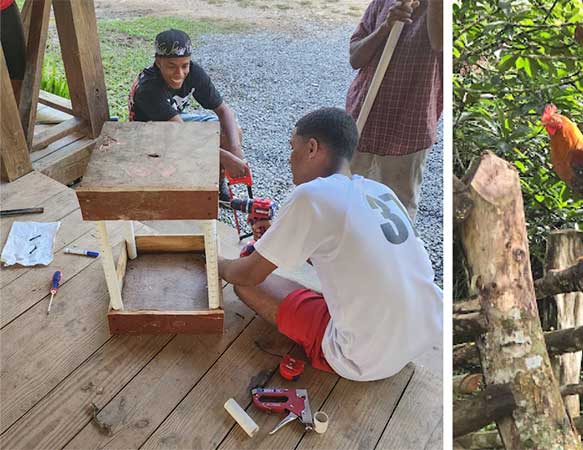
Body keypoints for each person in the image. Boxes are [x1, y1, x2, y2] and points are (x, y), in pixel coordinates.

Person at [218, 107, 442, 382]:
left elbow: (248, 273)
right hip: (419, 335)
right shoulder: (380, 192)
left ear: (312, 148)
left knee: (246, 282)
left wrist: (214, 260)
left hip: (364, 357)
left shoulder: (312, 195)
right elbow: (345, 252)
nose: (290, 159)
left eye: (293, 148)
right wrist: (275, 241)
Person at [346, 0, 443, 222]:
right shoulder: (384, 3)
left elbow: (439, 43)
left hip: (408, 133)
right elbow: (355, 57)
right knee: (347, 205)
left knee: (395, 217)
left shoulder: (441, 9)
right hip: (362, 122)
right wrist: (385, 28)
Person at [128, 28, 247, 197]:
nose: (179, 74)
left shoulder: (194, 72)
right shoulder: (148, 89)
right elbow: (181, 134)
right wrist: (225, 157)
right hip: (147, 134)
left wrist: (235, 149)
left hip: (174, 122)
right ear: (158, 62)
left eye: (185, 65)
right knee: (197, 148)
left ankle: (217, 184)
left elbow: (223, 110)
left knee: (232, 132)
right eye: (171, 66)